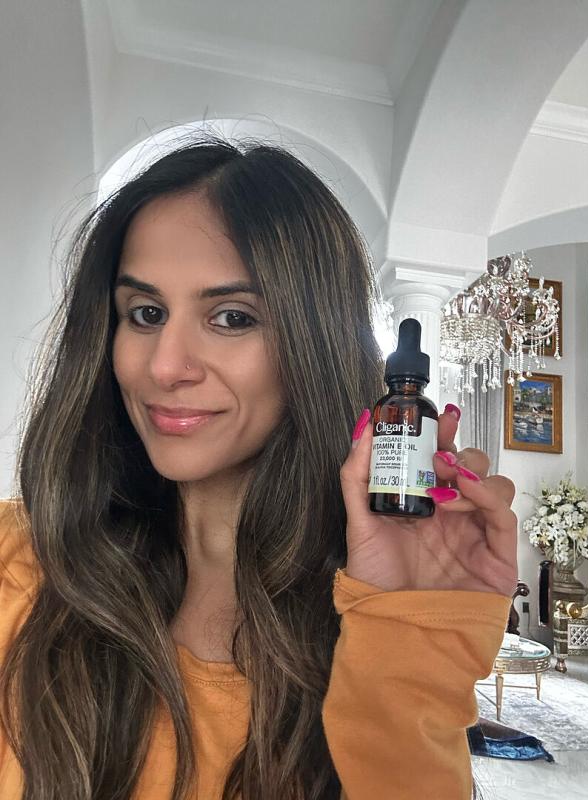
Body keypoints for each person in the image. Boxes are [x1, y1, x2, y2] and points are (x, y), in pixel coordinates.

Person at [0, 136, 516, 800]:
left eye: (231, 317)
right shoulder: (18, 563)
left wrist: (407, 634)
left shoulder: (369, 613)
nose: (164, 366)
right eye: (146, 314)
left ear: (314, 344)